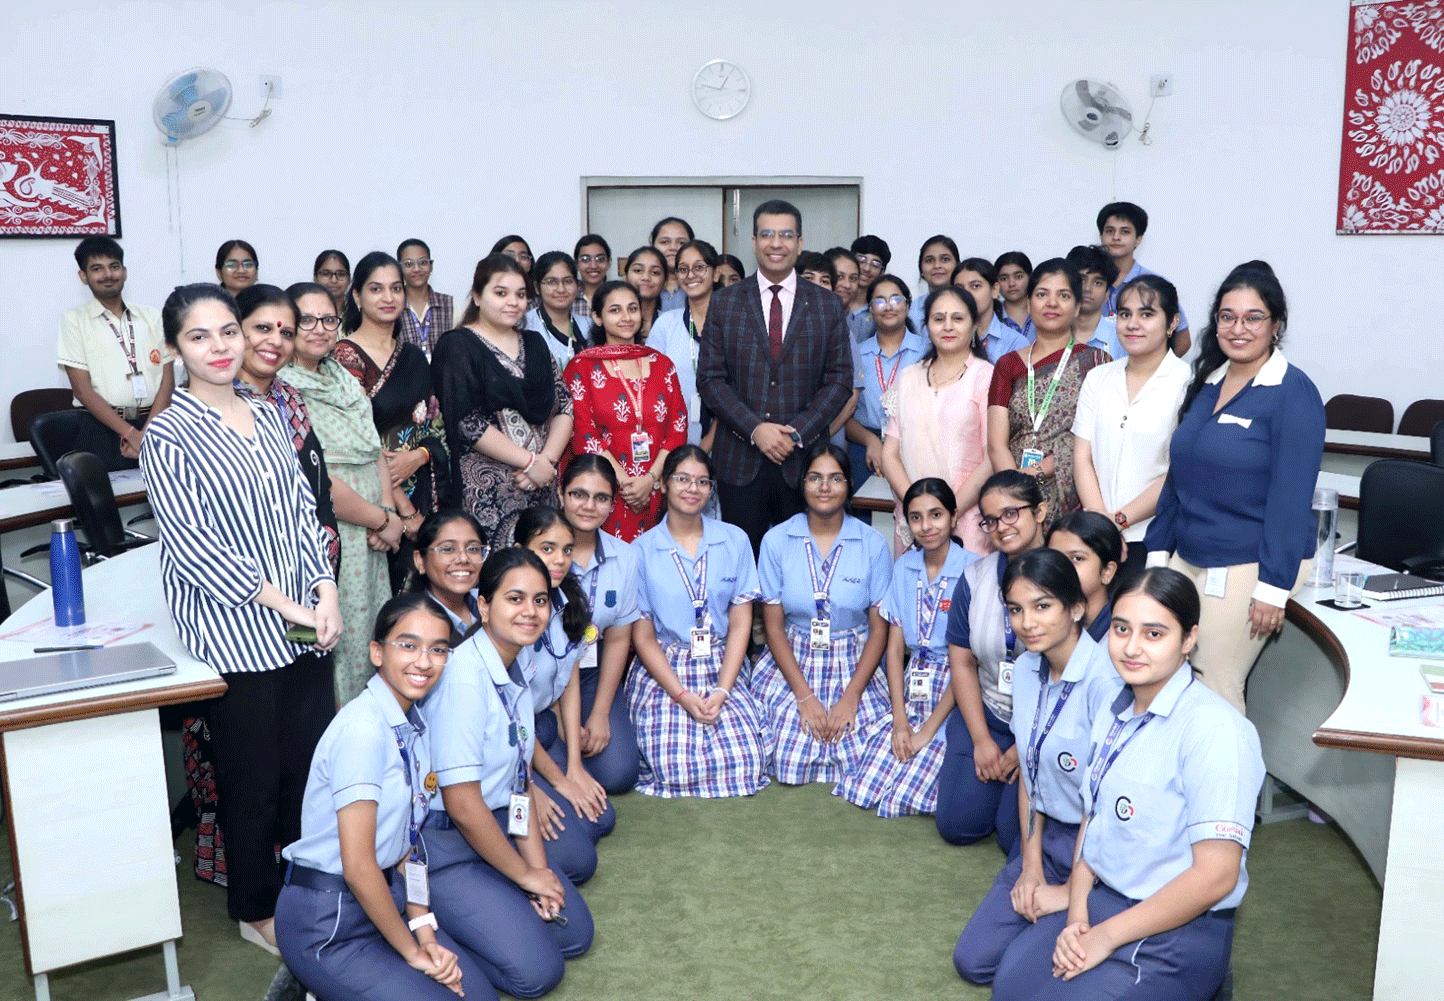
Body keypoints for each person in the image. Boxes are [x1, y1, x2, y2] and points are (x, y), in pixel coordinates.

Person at [140, 283, 340, 955]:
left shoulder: (266, 409)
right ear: (176, 350)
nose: (220, 347)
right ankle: (254, 907)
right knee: (253, 774)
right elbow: (194, 547)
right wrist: (288, 603)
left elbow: (301, 510)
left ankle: (304, 883)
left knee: (307, 760)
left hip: (302, 611)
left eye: (228, 331)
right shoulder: (169, 434)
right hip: (236, 623)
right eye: (199, 337)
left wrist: (324, 589)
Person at [990, 569, 1265, 1001]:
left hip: (1176, 925)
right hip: (1104, 896)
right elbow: (1092, 818)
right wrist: (1077, 916)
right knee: (1009, 991)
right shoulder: (1113, 706)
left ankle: (1204, 985)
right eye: (1121, 629)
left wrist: (1103, 938)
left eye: (1154, 634)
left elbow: (1217, 877)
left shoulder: (1217, 731)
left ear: (1189, 639)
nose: (1132, 648)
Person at [275, 594, 485, 1001]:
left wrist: (423, 929)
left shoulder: (413, 724)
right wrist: (413, 953)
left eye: (438, 650)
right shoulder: (364, 731)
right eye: (408, 645)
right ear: (376, 652)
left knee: (478, 996)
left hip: (383, 900)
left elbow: (410, 848)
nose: (423, 662)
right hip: (329, 919)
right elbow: (357, 867)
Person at [1143, 263, 1324, 713]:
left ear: (1276, 324)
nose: (1238, 328)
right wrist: (1158, 551)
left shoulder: (1292, 392)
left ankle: (1229, 763)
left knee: (1214, 684)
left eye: (1253, 317)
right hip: (1189, 552)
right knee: (1165, 675)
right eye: (1227, 317)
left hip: (1249, 559)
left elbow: (1291, 497)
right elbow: (1179, 475)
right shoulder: (1209, 381)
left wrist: (1273, 587)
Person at [419, 547, 594, 999]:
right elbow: (461, 805)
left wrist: (538, 872)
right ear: (484, 605)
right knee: (536, 974)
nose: (530, 611)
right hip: (443, 844)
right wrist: (524, 877)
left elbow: (521, 783)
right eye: (515, 599)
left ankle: (495, 909)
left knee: (575, 934)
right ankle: (422, 917)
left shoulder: (516, 666)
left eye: (540, 600)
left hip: (495, 820)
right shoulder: (464, 677)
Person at [953, 549, 1123, 986]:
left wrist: (1067, 893)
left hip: (1098, 850)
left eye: (1042, 606)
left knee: (1016, 980)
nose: (1027, 622)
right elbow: (1030, 772)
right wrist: (1031, 865)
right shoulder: (1027, 667)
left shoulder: (1107, 683)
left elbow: (1102, 805)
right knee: (973, 962)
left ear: (1076, 608)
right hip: (1046, 841)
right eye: (1015, 609)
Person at [697, 199, 854, 554]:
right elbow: (709, 378)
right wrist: (756, 429)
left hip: (803, 461)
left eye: (786, 235)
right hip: (739, 460)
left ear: (799, 243)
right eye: (767, 234)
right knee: (740, 563)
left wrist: (797, 431)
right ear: (754, 242)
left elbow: (840, 379)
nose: (776, 243)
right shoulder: (725, 302)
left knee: (802, 560)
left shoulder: (827, 305)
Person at [285, 273, 406, 705]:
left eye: (328, 319)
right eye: (306, 320)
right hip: (327, 535)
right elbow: (315, 478)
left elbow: (373, 448)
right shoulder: (280, 390)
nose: (319, 329)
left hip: (370, 537)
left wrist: (388, 514)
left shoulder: (342, 377)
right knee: (330, 641)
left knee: (368, 633)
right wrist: (382, 520)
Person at [626, 446, 770, 797]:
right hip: (666, 668)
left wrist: (722, 690)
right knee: (673, 765)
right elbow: (643, 637)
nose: (692, 488)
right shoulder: (640, 551)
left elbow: (741, 625)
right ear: (663, 484)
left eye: (702, 482)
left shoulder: (734, 540)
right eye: (682, 479)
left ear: (711, 489)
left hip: (722, 662)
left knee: (745, 761)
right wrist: (681, 695)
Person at [833, 478, 976, 816]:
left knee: (909, 791)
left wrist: (926, 732)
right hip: (913, 686)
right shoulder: (904, 567)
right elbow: (895, 651)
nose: (926, 526)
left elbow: (969, 664)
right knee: (866, 783)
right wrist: (900, 720)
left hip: (956, 689)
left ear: (954, 517)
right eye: (916, 517)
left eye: (936, 515)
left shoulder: (973, 570)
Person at [753, 443, 892, 784]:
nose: (825, 487)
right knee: (789, 753)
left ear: (849, 484)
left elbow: (879, 631)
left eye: (835, 478)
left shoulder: (873, 543)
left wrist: (851, 697)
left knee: (862, 750)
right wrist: (804, 697)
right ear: (802, 483)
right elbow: (774, 629)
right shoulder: (776, 540)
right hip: (794, 657)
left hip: (854, 659)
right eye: (815, 478)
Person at [935, 470, 1050, 850]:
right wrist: (983, 741)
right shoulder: (975, 578)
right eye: (990, 519)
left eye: (1011, 513)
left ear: (1040, 512)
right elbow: (963, 663)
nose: (1001, 527)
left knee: (1013, 837)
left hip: (1042, 725)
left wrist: (1024, 746)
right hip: (988, 714)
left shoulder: (1064, 577)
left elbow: (1070, 676)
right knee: (957, 826)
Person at [431, 254, 574, 553]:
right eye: (501, 293)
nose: (513, 302)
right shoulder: (457, 344)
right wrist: (529, 462)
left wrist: (545, 462)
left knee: (543, 569)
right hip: (487, 494)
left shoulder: (535, 343)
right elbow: (467, 423)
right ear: (477, 296)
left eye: (520, 295)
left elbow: (564, 405)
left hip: (542, 486)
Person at [328, 256, 450, 588]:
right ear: (357, 297)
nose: (388, 297)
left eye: (396, 288)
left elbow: (433, 428)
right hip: (368, 499)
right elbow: (356, 442)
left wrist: (419, 456)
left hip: (421, 490)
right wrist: (401, 512)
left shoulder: (413, 356)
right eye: (376, 289)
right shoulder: (345, 356)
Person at [512, 508, 614, 883]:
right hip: (514, 741)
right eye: (547, 548)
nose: (559, 560)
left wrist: (574, 766)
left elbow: (569, 679)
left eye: (567, 550)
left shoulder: (566, 599)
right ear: (520, 550)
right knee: (578, 859)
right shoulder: (511, 612)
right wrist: (548, 784)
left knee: (601, 820)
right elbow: (513, 717)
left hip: (543, 727)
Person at [1072, 275, 1191, 594]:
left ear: (1172, 322)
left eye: (1147, 314)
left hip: (1154, 538)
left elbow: (1177, 472)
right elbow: (1082, 458)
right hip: (1096, 538)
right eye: (1125, 314)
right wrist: (1102, 524)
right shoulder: (1098, 378)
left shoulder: (1189, 384)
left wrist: (1119, 521)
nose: (1133, 324)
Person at [563, 280, 687, 541]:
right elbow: (583, 432)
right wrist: (626, 483)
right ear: (597, 317)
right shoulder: (582, 367)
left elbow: (677, 428)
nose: (626, 317)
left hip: (657, 487)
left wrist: (650, 479)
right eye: (615, 310)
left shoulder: (662, 364)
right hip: (604, 488)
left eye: (632, 309)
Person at [987, 258, 1109, 522]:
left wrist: (1036, 473)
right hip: (1016, 502)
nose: (1052, 303)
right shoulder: (1007, 365)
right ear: (1028, 303)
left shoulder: (1098, 363)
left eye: (1063, 296)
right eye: (1042, 294)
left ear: (1077, 307)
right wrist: (1016, 493)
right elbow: (997, 444)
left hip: (1078, 493)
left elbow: (1099, 437)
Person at [235, 285, 341, 579]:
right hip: (249, 575)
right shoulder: (219, 404)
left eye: (287, 333)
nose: (275, 341)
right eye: (263, 328)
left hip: (313, 566)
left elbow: (318, 485)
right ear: (234, 331)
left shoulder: (290, 397)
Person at [879, 286, 994, 555]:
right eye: (939, 319)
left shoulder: (986, 376)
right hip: (913, 521)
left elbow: (992, 458)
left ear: (974, 325)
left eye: (958, 318)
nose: (948, 326)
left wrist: (948, 512)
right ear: (927, 326)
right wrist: (918, 510)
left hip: (966, 517)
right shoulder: (909, 377)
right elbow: (890, 454)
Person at [559, 455, 643, 794]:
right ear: (561, 494)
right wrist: (563, 723)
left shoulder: (625, 556)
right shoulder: (540, 552)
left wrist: (600, 713)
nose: (589, 506)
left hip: (591, 671)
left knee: (619, 774)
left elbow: (620, 639)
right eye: (578, 494)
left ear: (612, 504)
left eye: (601, 497)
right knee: (556, 760)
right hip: (544, 678)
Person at [57, 235, 174, 459]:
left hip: (154, 424)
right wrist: (130, 434)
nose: (108, 275)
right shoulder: (74, 320)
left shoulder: (152, 316)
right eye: (97, 269)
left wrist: (147, 432)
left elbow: (167, 379)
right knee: (108, 484)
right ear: (83, 276)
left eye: (114, 266)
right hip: (100, 428)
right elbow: (82, 390)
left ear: (124, 272)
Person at [846, 274, 927, 492]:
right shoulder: (857, 353)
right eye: (880, 301)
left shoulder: (927, 352)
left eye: (896, 299)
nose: (888, 306)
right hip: (864, 446)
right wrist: (870, 441)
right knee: (862, 505)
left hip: (914, 447)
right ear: (870, 310)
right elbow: (844, 414)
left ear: (908, 306)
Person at [648, 240, 720, 449]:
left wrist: (708, 443)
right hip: (673, 442)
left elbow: (739, 390)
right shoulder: (666, 324)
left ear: (716, 274)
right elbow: (651, 389)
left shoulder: (732, 323)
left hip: (725, 441)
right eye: (683, 269)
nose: (690, 275)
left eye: (699, 267)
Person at [1097, 200, 1192, 356]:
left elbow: (1183, 340)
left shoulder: (1154, 284)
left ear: (1138, 239)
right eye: (1110, 231)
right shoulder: (1089, 284)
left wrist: (1153, 367)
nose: (1116, 237)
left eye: (1125, 232)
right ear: (1101, 236)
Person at [412, 509, 486, 645]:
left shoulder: (492, 605)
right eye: (448, 549)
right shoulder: (410, 622)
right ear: (420, 560)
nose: (463, 559)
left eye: (473, 549)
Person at [1045, 511, 1121, 642]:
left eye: (1077, 558)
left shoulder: (1122, 632)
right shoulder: (1041, 623)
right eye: (1055, 558)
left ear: (1107, 571)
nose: (1062, 567)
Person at [952, 258, 1030, 363]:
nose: (967, 294)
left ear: (994, 290)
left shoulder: (1016, 343)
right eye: (959, 289)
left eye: (975, 286)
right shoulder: (946, 336)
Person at [525, 251, 591, 365]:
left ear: (577, 285)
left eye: (568, 281)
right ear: (537, 287)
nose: (561, 289)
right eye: (551, 282)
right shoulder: (525, 325)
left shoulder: (589, 325)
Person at [397, 238, 454, 358]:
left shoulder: (449, 304)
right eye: (408, 264)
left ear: (431, 266)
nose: (417, 269)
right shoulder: (394, 306)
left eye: (423, 262)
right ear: (399, 269)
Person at [1065, 244, 1123, 359]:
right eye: (1082, 280)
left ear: (1107, 294)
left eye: (1097, 283)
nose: (1087, 288)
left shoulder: (1121, 338)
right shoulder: (1053, 334)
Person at [908, 235, 959, 331]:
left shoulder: (968, 304)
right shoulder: (911, 312)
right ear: (921, 269)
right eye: (929, 260)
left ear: (957, 265)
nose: (937, 265)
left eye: (945, 259)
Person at [825, 247, 870, 343]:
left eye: (853, 278)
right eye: (839, 277)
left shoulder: (861, 329)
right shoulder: (803, 317)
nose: (847, 285)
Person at [650, 215, 694, 312]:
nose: (673, 248)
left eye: (681, 243)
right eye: (665, 242)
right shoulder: (642, 283)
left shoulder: (701, 284)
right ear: (652, 246)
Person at [623, 245, 668, 338]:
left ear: (665, 282)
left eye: (655, 272)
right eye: (638, 270)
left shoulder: (669, 324)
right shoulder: (614, 321)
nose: (646, 277)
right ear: (625, 277)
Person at [993, 251, 1033, 338]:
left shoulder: (1043, 313)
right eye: (1004, 279)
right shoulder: (991, 318)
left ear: (1030, 278)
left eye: (1018, 277)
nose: (1011, 284)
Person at [573, 234, 612, 320]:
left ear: (609, 263)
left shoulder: (617, 296)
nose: (593, 266)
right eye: (585, 259)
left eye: (600, 259)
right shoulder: (569, 298)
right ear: (576, 264)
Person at [850, 234, 891, 301]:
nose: (867, 268)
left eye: (875, 264)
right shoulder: (834, 300)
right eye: (862, 260)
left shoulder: (882, 306)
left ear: (882, 272)